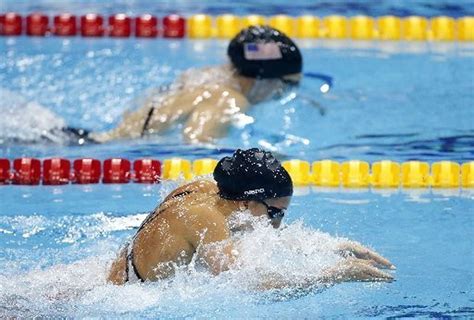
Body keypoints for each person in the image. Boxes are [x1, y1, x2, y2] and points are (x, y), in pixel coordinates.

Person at [107, 148, 395, 287]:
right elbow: (247, 284)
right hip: (123, 299)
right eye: (274, 213)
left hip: (115, 274)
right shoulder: (206, 219)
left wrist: (333, 246)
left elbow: (257, 241)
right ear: (246, 201)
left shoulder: (207, 189)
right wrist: (334, 275)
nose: (276, 224)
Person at [88, 25, 303, 144]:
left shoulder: (208, 76)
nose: (280, 95)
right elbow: (196, 144)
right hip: (106, 148)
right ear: (263, 80)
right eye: (285, 87)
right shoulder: (229, 99)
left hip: (93, 139)